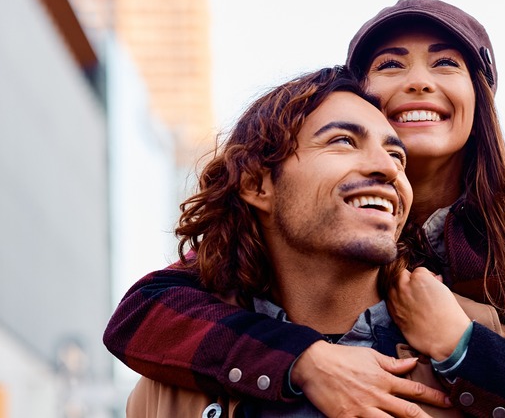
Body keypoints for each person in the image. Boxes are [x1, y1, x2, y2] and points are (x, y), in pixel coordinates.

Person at [105, 0, 505, 417]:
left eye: (446, 63)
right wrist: (304, 360)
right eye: (390, 64)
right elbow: (144, 312)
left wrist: (463, 347)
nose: (418, 80)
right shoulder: (298, 236)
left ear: (479, 100)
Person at [123, 66, 455, 416]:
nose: (388, 169)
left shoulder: (474, 342)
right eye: (342, 141)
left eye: (396, 155)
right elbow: (136, 308)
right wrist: (303, 360)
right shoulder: (167, 389)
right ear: (256, 185)